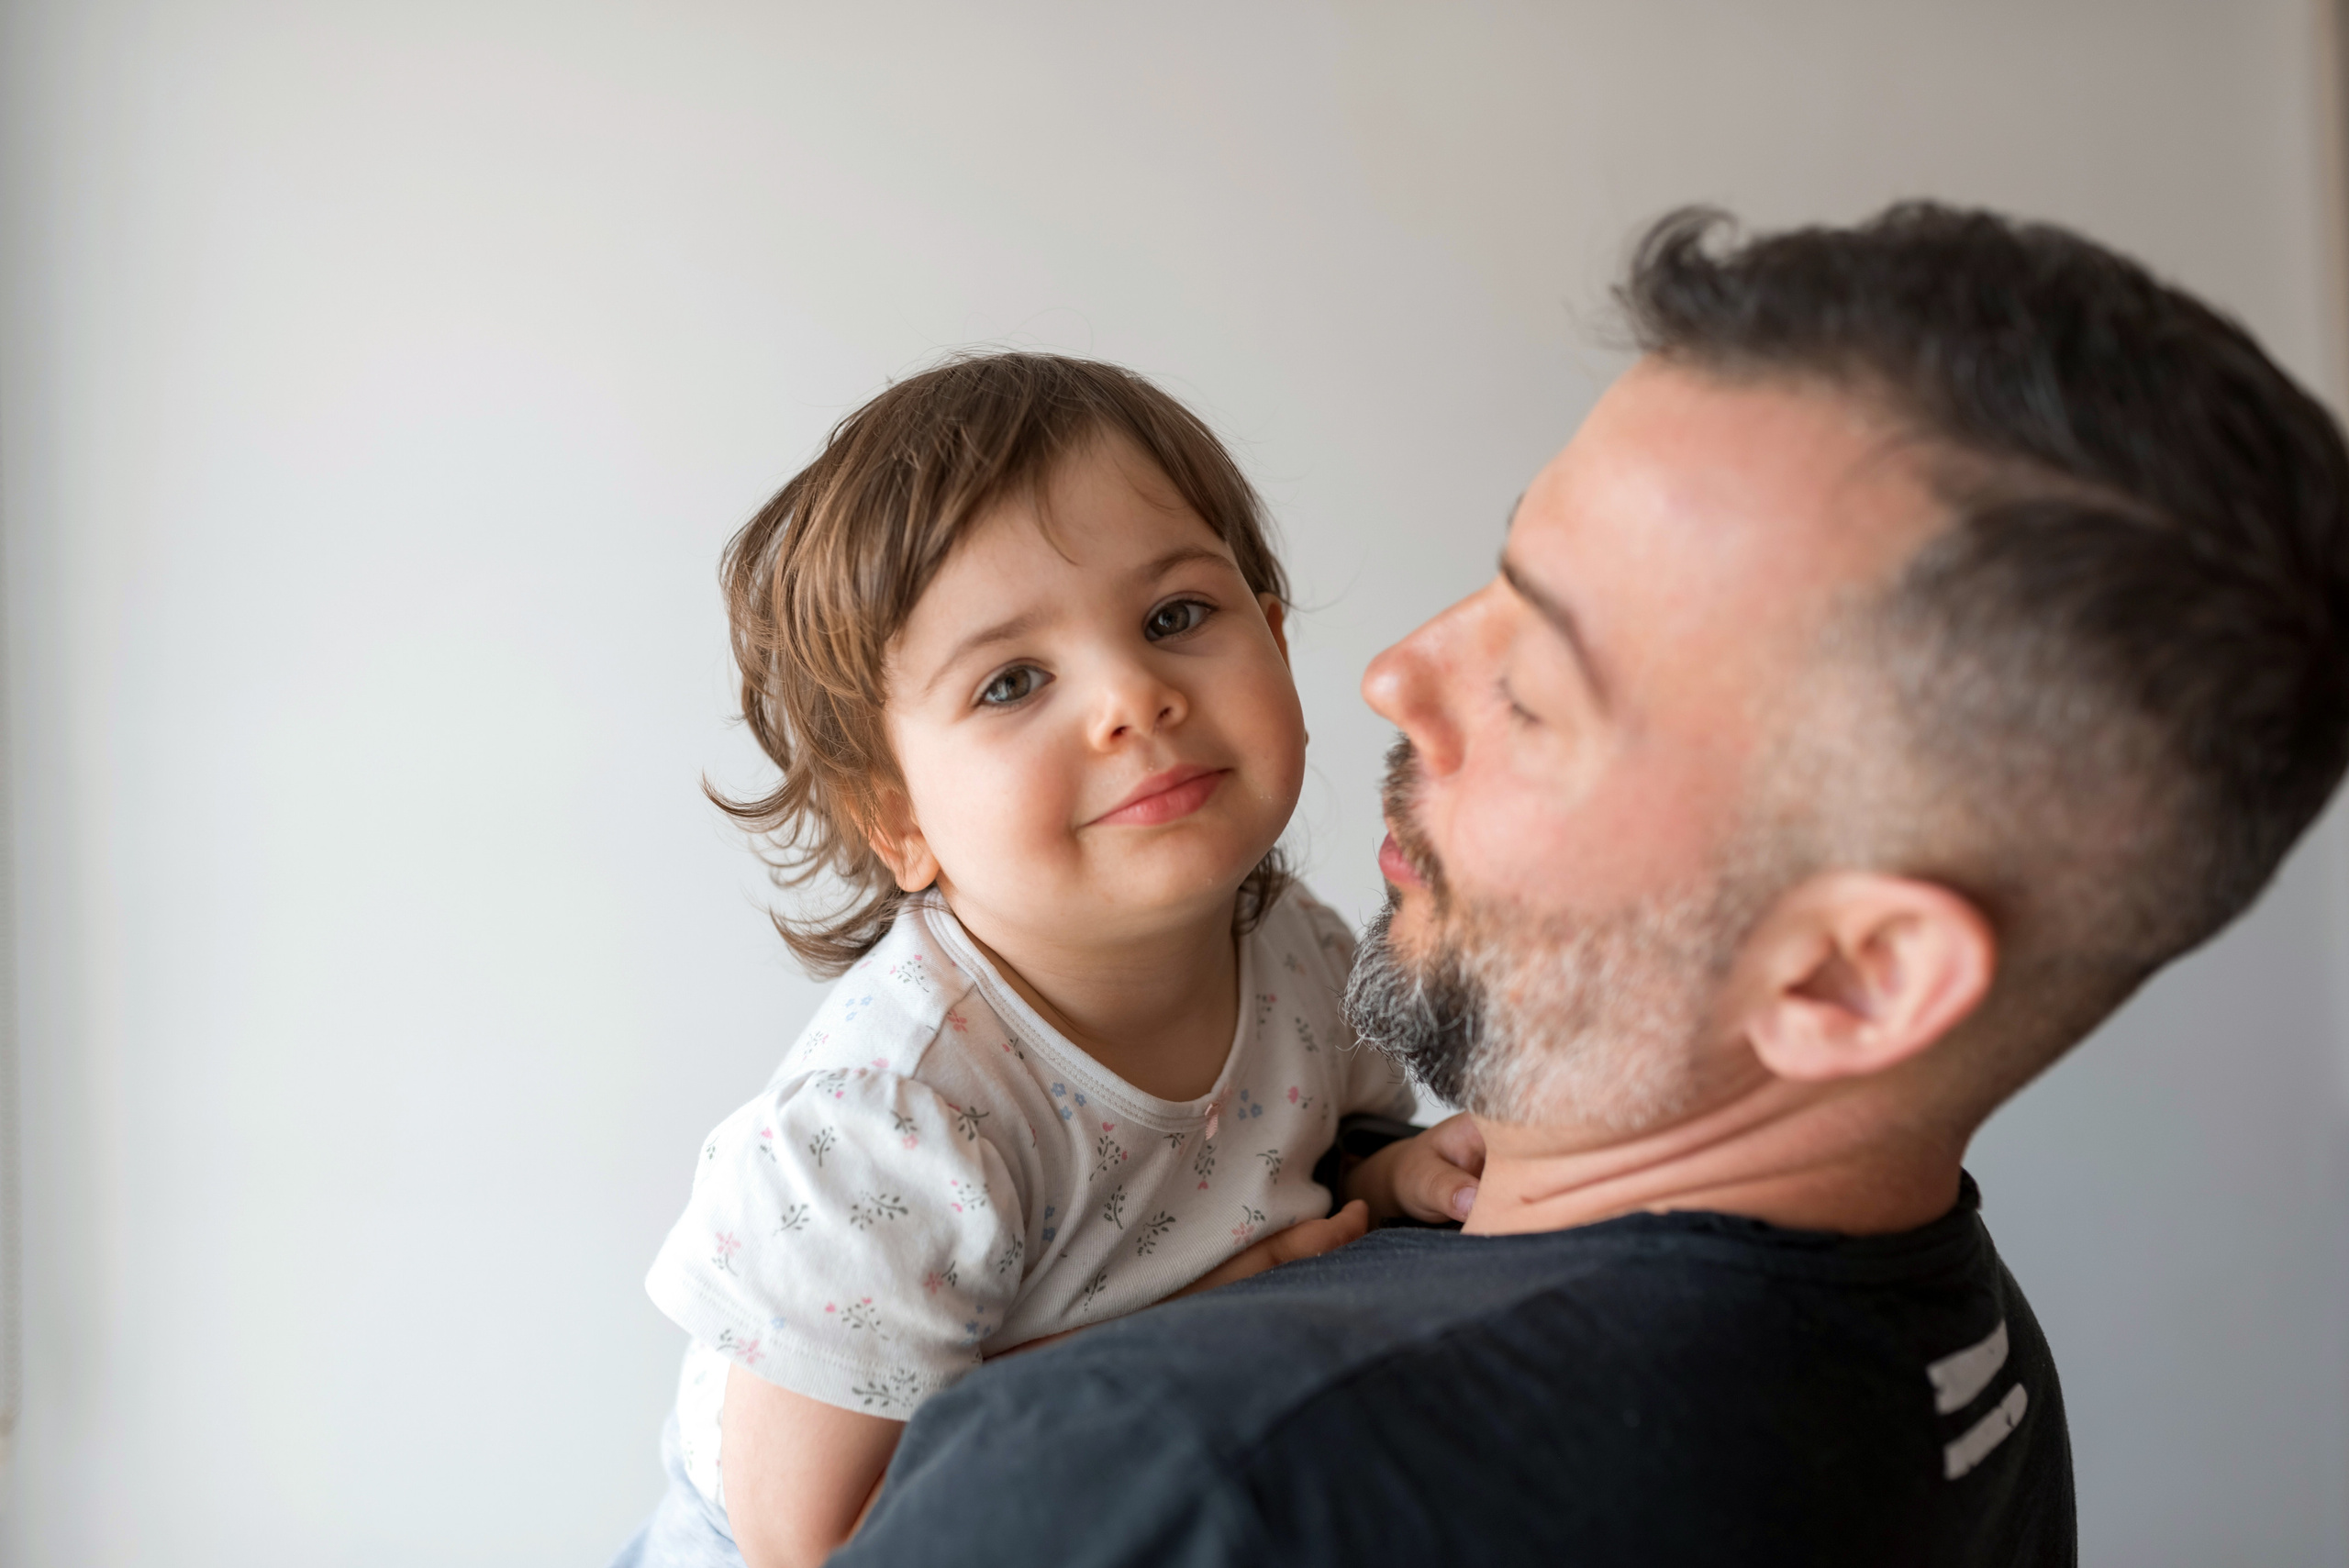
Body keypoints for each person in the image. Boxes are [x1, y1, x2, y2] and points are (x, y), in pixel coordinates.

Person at [827, 205, 2349, 1567]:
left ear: (1854, 975)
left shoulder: (1176, 1486)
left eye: (1540, 681)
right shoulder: (1954, 1344)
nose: (1392, 674)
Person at [611, 353, 1482, 1568]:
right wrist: (1213, 1309)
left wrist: (1391, 1187)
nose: (1133, 694)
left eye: (1176, 616)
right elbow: (822, 1539)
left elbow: (1323, 1170)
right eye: (1013, 680)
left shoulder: (1299, 953)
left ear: (1276, 643)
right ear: (896, 816)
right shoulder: (893, 1120)